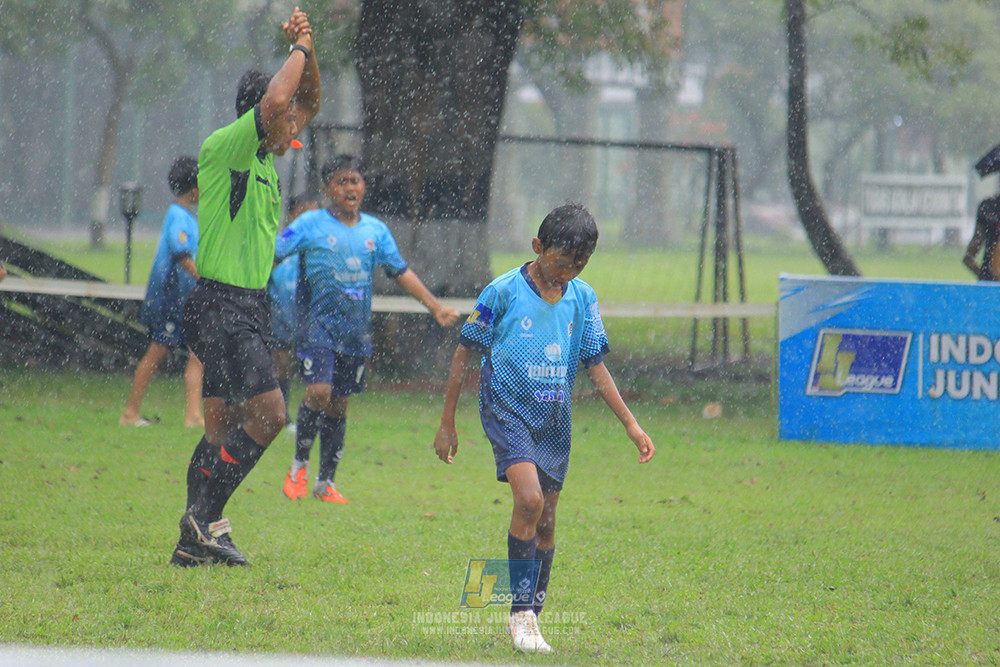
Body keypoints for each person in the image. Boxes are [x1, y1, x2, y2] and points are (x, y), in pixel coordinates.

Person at [433, 203, 655, 654]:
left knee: (548, 523)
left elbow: (595, 366)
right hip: (508, 410)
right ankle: (520, 616)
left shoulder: (582, 297)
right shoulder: (502, 293)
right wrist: (447, 422)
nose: (568, 272)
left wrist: (631, 424)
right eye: (561, 261)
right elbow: (464, 353)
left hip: (555, 418)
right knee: (530, 501)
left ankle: (533, 615)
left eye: (579, 264)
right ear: (537, 248)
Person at [171, 6, 321, 568]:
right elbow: (283, 102)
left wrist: (309, 44)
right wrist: (297, 52)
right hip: (223, 305)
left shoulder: (263, 157)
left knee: (224, 426)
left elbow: (307, 102)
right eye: (285, 125)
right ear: (261, 116)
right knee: (271, 415)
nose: (294, 131)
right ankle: (201, 521)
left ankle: (198, 537)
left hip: (246, 306)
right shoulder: (229, 147)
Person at [277, 154, 460, 503]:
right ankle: (299, 465)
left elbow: (399, 271)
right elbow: (273, 254)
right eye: (342, 181)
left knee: (339, 404)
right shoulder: (309, 224)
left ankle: (325, 482)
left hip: (354, 331)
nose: (350, 188)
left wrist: (434, 306)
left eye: (355, 181)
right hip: (317, 326)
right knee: (318, 392)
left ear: (363, 187)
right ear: (328, 188)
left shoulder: (375, 230)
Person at [120, 156, 203, 428]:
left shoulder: (187, 217)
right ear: (193, 189)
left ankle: (193, 416)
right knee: (157, 352)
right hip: (169, 298)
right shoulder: (178, 216)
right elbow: (181, 255)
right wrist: (203, 279)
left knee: (196, 354)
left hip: (185, 300)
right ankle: (130, 413)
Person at [269, 191, 321, 429]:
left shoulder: (317, 251)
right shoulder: (279, 248)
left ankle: (313, 417)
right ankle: (281, 413)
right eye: (303, 214)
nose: (309, 221)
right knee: (281, 363)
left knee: (317, 371)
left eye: (315, 215)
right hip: (279, 319)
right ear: (291, 216)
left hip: (309, 320)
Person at [963, 187, 1000, 281]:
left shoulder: (988, 207)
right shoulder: (989, 207)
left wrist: (986, 277)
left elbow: (968, 258)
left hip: (989, 288)